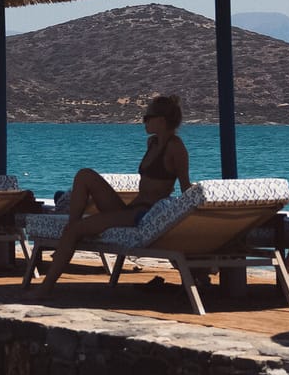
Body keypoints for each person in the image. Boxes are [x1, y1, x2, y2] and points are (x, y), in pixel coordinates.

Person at [38, 94, 190, 288]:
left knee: (75, 231)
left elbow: (185, 186)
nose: (143, 122)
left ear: (161, 120)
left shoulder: (176, 148)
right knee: (85, 175)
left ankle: (45, 287)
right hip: (132, 208)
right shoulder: (152, 143)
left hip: (144, 214)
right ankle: (71, 227)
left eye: (147, 118)